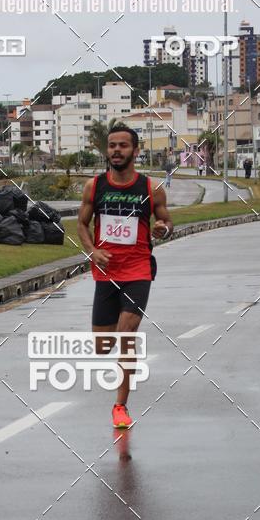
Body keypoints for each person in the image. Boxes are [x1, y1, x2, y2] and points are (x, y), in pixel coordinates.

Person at [77, 126, 174, 429]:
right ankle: (121, 387)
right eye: (112, 146)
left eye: (123, 146)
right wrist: (92, 251)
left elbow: (166, 221)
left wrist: (163, 229)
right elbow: (81, 224)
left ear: (135, 150)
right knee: (103, 345)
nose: (116, 150)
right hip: (105, 273)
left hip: (138, 271)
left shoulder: (151, 188)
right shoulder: (94, 187)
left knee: (126, 334)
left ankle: (120, 406)